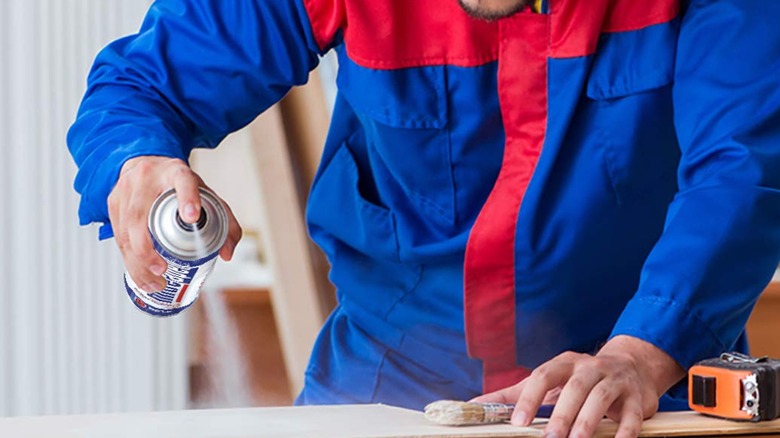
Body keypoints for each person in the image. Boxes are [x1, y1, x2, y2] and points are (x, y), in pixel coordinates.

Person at [68, 0, 780, 436]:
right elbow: (141, 85)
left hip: (642, 387)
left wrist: (641, 353)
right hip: (387, 387)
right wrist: (137, 163)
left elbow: (743, 167)